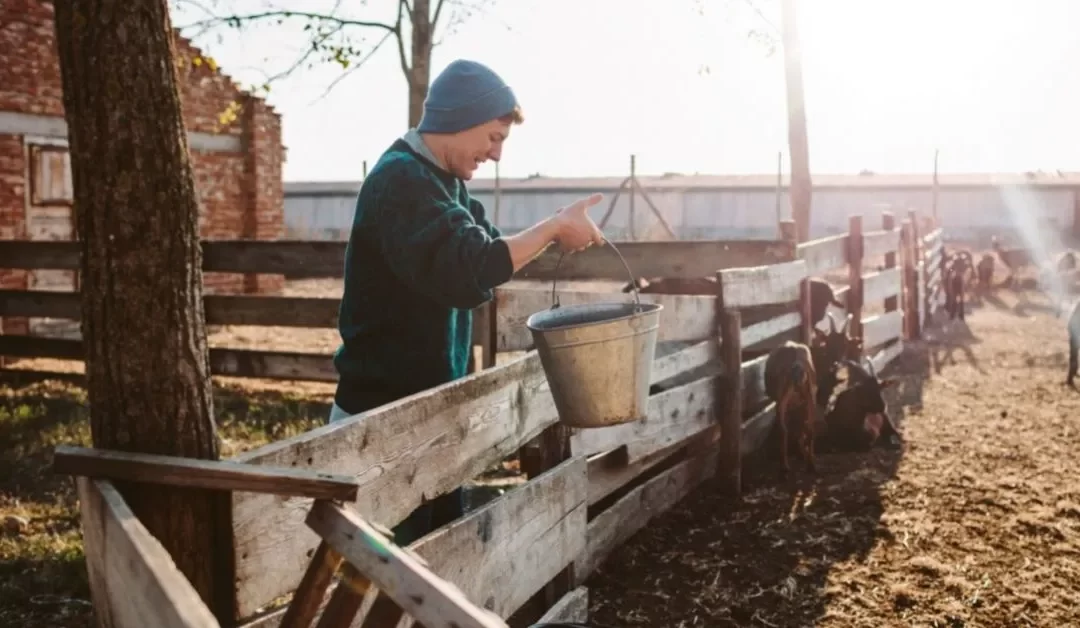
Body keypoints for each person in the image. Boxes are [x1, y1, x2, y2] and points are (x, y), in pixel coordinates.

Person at [328, 59, 605, 545]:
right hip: (381, 425)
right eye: (493, 137)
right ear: (460, 118)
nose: (495, 155)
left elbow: (492, 255)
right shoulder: (402, 180)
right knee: (384, 581)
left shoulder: (444, 182)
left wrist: (554, 230)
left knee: (436, 565)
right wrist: (554, 227)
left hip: (429, 412)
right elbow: (471, 269)